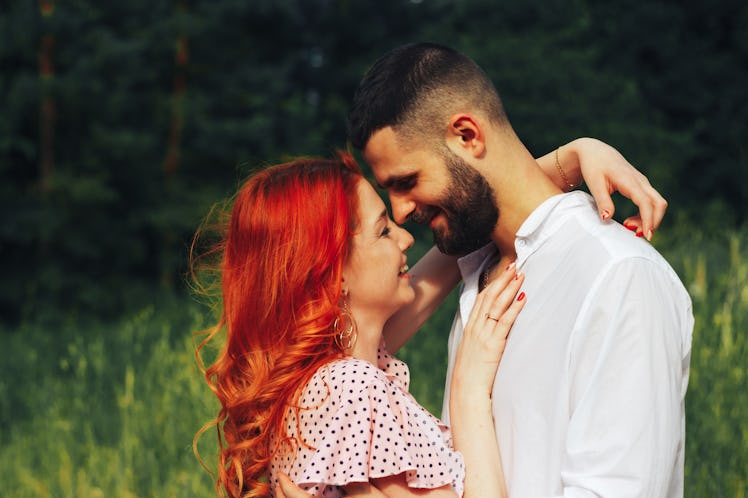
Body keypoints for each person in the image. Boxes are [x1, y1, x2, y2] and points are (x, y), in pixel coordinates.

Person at [194, 142, 670, 497]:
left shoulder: (327, 377)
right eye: (382, 231)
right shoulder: (349, 389)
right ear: (330, 275)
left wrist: (572, 158)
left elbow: (460, 243)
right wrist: (468, 389)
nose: (404, 239)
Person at [341, 42, 693, 497]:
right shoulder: (475, 267)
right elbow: (338, 344)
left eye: (407, 183)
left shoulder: (618, 276)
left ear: (468, 135)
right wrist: (567, 158)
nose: (401, 212)